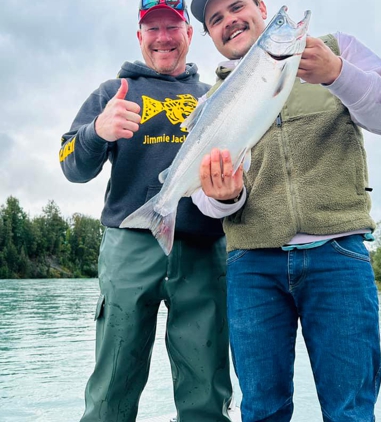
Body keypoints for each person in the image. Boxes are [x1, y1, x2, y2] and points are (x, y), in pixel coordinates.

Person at [189, 0, 381, 421]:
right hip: (252, 266)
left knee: (350, 411)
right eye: (215, 20)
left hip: (339, 256)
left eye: (236, 6)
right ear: (211, 36)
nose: (229, 22)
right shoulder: (210, 104)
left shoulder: (337, 49)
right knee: (261, 411)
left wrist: (338, 74)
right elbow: (205, 199)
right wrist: (223, 196)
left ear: (262, 6)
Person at [59, 1, 233, 421]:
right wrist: (95, 132)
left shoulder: (216, 97)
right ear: (140, 36)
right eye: (152, 28)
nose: (163, 37)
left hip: (202, 248)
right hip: (129, 243)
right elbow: (70, 164)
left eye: (172, 27)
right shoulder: (112, 92)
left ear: (190, 34)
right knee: (113, 383)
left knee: (206, 388)